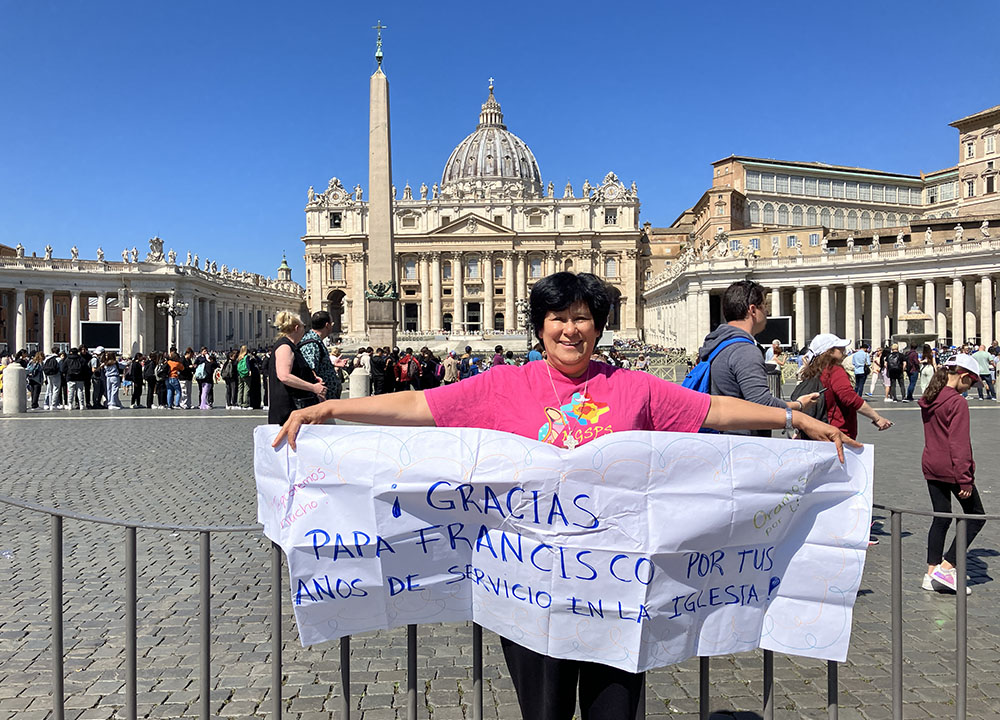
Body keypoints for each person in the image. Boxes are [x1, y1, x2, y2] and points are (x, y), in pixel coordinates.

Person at [273, 272, 858, 720]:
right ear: (540, 326)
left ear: (598, 326)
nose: (570, 329)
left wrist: (790, 418)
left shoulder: (632, 387)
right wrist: (331, 408)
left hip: (619, 591)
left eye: (582, 318)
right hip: (532, 594)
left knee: (614, 713)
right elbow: (419, 407)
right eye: (558, 318)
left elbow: (714, 410)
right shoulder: (504, 385)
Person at [696, 280, 817, 436]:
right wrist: (799, 405)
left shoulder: (715, 344)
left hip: (719, 436)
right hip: (743, 442)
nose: (767, 312)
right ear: (753, 310)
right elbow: (762, 403)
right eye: (764, 306)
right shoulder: (745, 350)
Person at [919, 354, 987, 594]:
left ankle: (931, 573)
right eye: (970, 383)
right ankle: (947, 566)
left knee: (942, 517)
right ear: (964, 377)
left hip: (931, 463)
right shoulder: (957, 402)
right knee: (976, 516)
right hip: (951, 468)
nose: (969, 389)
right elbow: (958, 444)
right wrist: (965, 478)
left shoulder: (929, 397)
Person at [267, 311, 325, 426]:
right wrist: (313, 387)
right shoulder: (285, 347)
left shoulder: (291, 346)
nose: (304, 330)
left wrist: (311, 377)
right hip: (290, 408)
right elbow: (284, 376)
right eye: (304, 327)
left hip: (295, 407)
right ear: (297, 328)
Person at [299, 312, 341, 400]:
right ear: (327, 325)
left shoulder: (316, 341)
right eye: (332, 323)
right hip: (320, 399)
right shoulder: (311, 344)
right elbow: (310, 371)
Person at [64, 346, 88, 410]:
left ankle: (70, 405)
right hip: (80, 377)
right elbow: (85, 368)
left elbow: (64, 369)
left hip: (70, 377)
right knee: (80, 391)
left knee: (70, 391)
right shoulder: (81, 359)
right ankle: (82, 405)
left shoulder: (67, 359)